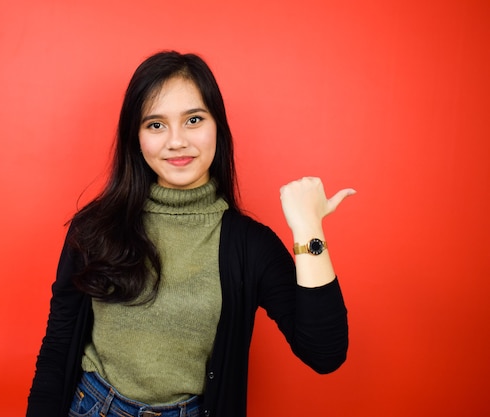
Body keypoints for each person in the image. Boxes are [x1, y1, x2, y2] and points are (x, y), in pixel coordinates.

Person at [27, 51, 354, 417]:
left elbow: (325, 353)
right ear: (135, 138)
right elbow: (57, 348)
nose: (176, 141)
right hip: (93, 407)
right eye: (156, 125)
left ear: (218, 127)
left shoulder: (249, 246)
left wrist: (309, 230)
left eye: (193, 120)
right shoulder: (94, 228)